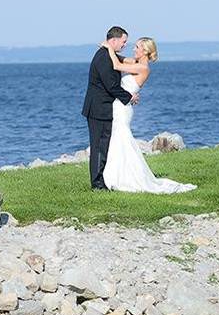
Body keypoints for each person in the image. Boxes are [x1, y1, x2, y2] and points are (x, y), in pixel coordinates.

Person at [100, 37, 197, 194]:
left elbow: (117, 65)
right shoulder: (136, 63)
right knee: (117, 141)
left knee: (122, 140)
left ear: (144, 51)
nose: (133, 49)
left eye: (137, 47)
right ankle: (115, 174)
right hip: (120, 105)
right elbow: (123, 60)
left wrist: (108, 48)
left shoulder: (143, 68)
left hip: (122, 109)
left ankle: (123, 177)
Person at [81, 26, 139, 190]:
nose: (125, 44)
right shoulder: (104, 58)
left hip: (100, 108)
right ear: (113, 40)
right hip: (99, 109)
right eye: (123, 41)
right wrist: (129, 97)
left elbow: (118, 61)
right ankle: (97, 184)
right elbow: (111, 86)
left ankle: (102, 179)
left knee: (103, 145)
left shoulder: (107, 55)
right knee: (99, 145)